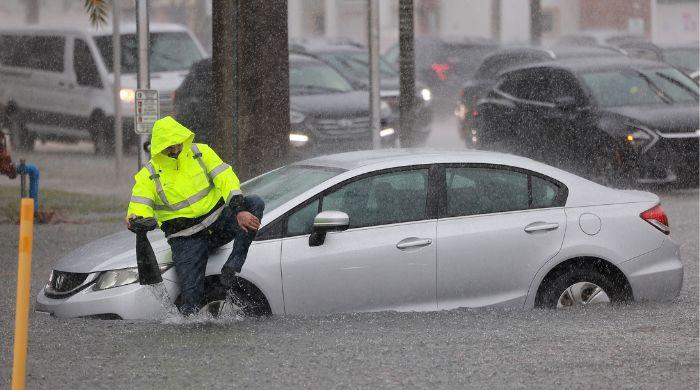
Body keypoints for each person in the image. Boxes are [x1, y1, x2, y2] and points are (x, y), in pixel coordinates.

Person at [125, 116, 264, 315]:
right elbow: (140, 204)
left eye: (177, 145)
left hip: (218, 224)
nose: (175, 150)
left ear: (183, 139)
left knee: (255, 202)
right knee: (190, 306)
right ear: (158, 148)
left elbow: (226, 179)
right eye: (169, 147)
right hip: (186, 239)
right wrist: (135, 219)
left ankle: (233, 264)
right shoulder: (149, 174)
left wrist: (239, 209)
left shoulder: (201, 152)